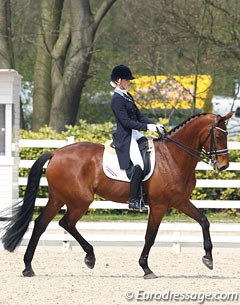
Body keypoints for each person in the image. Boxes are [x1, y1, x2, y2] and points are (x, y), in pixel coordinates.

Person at [110, 64, 165, 211]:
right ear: (118, 80)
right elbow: (126, 122)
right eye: (127, 80)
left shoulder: (127, 96)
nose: (129, 82)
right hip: (126, 138)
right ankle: (133, 200)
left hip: (137, 135)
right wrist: (148, 128)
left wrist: (155, 125)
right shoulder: (116, 99)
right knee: (139, 164)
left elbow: (139, 117)